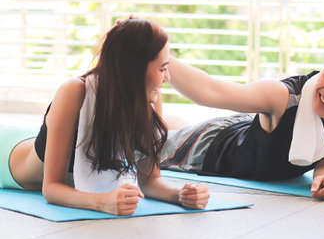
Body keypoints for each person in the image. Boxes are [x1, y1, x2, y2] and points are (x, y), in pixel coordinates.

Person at [0, 18, 209, 215]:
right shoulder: (74, 91)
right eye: (162, 69)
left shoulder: (150, 99)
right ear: (134, 69)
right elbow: (52, 187)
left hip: (30, 136)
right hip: (7, 155)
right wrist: (102, 202)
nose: (168, 78)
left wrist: (181, 195)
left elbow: (150, 181)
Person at [161, 35, 324, 200]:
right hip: (211, 147)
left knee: (164, 126)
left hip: (241, 131)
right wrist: (155, 52)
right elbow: (210, 91)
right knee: (140, 140)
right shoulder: (281, 97)